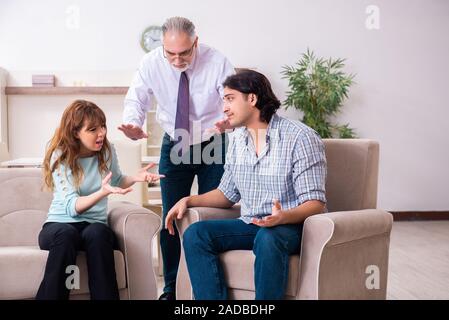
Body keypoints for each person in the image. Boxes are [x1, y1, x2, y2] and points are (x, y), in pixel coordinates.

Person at [165, 70, 327, 300]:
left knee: (268, 237)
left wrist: (282, 217)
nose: (224, 107)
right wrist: (189, 199)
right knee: (196, 234)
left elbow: (315, 203)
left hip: (293, 226)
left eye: (230, 98)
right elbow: (226, 194)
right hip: (252, 223)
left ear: (252, 99)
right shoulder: (237, 140)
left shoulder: (300, 137)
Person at [120, 16, 235, 300]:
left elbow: (233, 98)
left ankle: (212, 288)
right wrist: (132, 124)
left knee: (214, 213)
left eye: (184, 53)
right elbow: (137, 98)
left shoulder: (217, 61)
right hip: (175, 142)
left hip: (213, 140)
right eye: (170, 53)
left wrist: (229, 121)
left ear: (196, 42)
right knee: (170, 215)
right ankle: (171, 288)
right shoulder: (151, 62)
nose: (177, 60)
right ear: (163, 46)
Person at [36, 100, 163, 300]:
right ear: (76, 132)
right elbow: (72, 208)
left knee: (99, 233)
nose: (101, 133)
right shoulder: (61, 155)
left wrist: (136, 177)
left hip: (92, 225)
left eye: (103, 126)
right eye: (93, 129)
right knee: (67, 234)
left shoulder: (107, 150)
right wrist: (102, 193)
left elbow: (118, 180)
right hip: (59, 225)